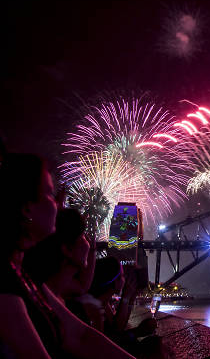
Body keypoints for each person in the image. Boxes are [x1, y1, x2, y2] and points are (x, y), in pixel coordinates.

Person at [0, 153, 134, 358]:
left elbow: (81, 336)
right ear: (27, 208)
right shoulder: (5, 286)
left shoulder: (25, 277)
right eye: (50, 194)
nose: (58, 204)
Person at [24, 208, 97, 300]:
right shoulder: (40, 291)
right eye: (82, 236)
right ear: (66, 248)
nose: (87, 242)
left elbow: (82, 286)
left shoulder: (45, 279)